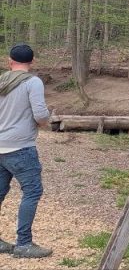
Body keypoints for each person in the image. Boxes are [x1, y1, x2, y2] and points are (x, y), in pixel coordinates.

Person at [0, 44, 52, 258]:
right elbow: (40, 113)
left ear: (9, 61)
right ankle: (24, 244)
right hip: (21, 147)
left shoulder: (2, 80)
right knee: (32, 192)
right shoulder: (32, 82)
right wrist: (44, 122)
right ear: (32, 62)